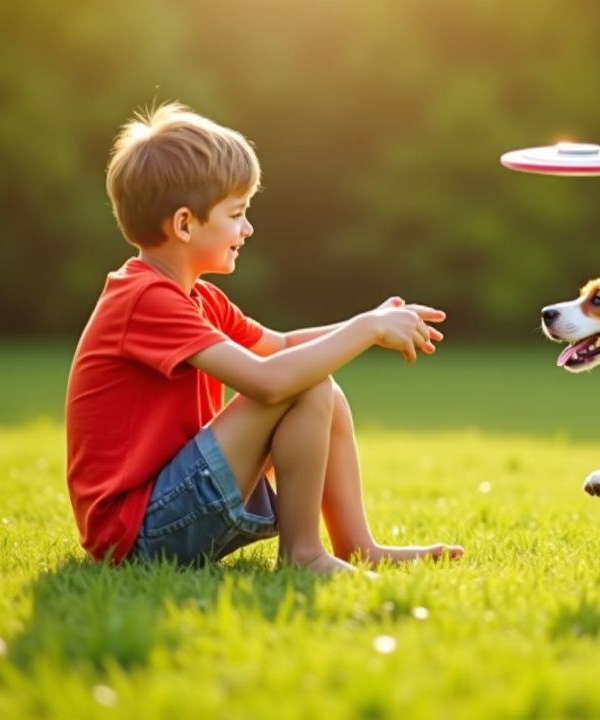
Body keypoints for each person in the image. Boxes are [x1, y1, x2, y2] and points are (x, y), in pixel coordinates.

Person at [65, 102, 463, 574]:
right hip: (134, 534)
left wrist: (371, 321)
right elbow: (270, 382)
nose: (248, 228)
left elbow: (280, 346)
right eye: (236, 214)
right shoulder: (144, 299)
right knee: (306, 382)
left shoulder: (197, 297)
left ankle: (357, 547)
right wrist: (365, 330)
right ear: (185, 224)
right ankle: (303, 555)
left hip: (167, 508)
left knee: (320, 386)